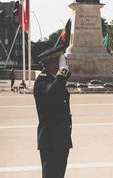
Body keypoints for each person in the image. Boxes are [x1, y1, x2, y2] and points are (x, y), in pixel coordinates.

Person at [33, 44, 72, 178]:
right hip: (50, 139)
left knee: (59, 175)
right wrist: (62, 75)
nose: (61, 65)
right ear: (49, 63)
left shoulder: (54, 79)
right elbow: (51, 94)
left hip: (61, 138)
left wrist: (61, 76)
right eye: (57, 61)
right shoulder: (42, 81)